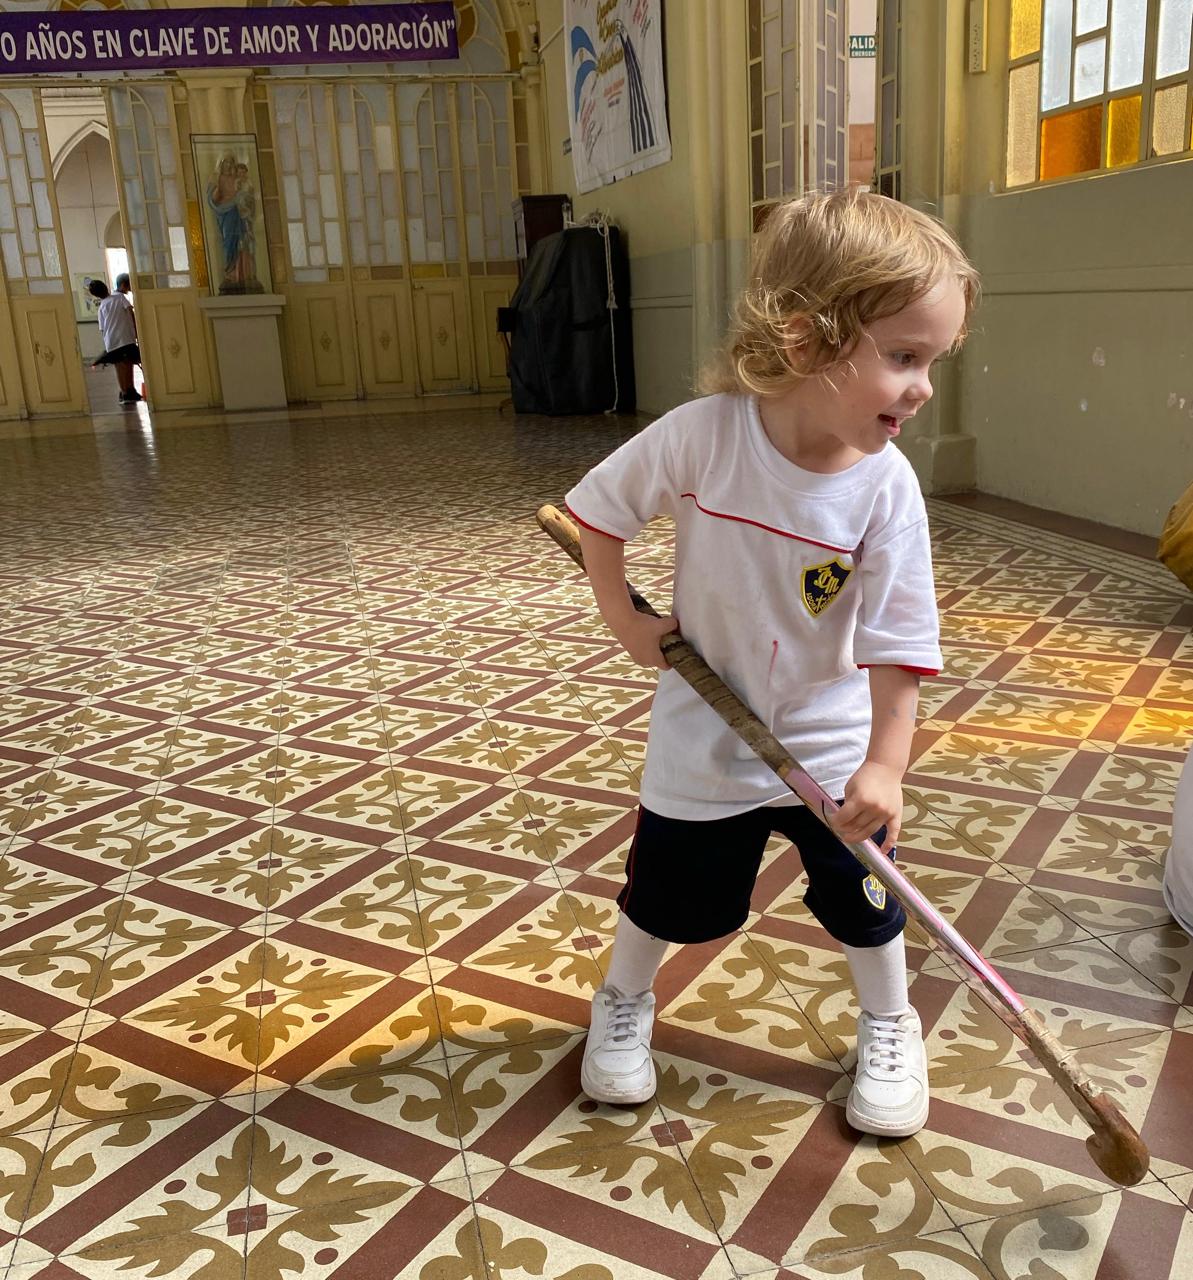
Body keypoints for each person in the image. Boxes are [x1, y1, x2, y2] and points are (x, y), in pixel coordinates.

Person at [565, 187, 979, 1138]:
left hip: (829, 741)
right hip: (704, 734)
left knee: (869, 899)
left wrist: (885, 764)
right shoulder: (702, 437)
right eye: (902, 357)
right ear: (805, 340)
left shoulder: (886, 488)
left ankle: (889, 1021)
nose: (922, 387)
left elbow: (900, 640)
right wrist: (627, 621)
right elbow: (596, 515)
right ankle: (623, 1000)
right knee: (663, 894)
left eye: (933, 360)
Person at [88, 278, 142, 405]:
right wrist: (136, 331)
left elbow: (102, 328)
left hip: (111, 341)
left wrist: (107, 343)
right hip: (126, 337)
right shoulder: (119, 298)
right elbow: (131, 312)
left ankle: (125, 392)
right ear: (106, 287)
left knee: (119, 366)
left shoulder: (101, 307)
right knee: (128, 364)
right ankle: (130, 390)